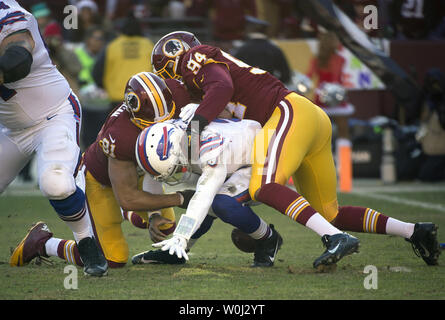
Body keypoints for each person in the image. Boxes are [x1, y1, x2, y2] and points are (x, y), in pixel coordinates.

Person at [150, 31, 441, 267]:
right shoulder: (204, 77)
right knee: (329, 214)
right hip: (307, 118)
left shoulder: (195, 60)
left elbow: (221, 88)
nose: (174, 81)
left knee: (263, 184)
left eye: (168, 73)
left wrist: (195, 127)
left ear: (177, 57)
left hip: (286, 112)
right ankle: (414, 231)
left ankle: (336, 238)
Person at [9, 72, 195, 269]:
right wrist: (180, 198)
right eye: (153, 125)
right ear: (135, 117)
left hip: (137, 174)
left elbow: (154, 170)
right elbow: (128, 197)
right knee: (111, 258)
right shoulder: (120, 135)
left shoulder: (177, 93)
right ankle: (43, 243)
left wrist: (155, 212)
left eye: (167, 120)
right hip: (100, 181)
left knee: (165, 224)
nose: (162, 128)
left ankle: (128, 214)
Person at [1, 0, 107, 276]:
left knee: (56, 183)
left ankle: (87, 243)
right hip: (11, 129)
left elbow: (17, 60)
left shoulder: (9, 15)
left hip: (54, 113)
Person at [134, 116, 283, 267]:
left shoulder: (209, 149)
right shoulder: (168, 135)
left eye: (176, 166)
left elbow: (203, 197)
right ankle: (177, 252)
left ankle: (268, 238)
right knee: (211, 200)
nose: (177, 171)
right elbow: (153, 175)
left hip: (262, 156)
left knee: (221, 203)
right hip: (235, 157)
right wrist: (154, 215)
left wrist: (181, 235)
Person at [306, 32, 354, 192]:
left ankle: (318, 177)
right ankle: (345, 178)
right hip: (334, 100)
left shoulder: (318, 59)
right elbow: (336, 79)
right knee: (342, 135)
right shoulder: (339, 59)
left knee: (318, 137)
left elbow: (308, 77)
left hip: (324, 100)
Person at [92, 13, 154, 112]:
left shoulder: (112, 46)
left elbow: (97, 72)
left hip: (117, 99)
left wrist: (105, 87)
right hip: (144, 97)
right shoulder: (149, 45)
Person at [232, 16, 291, 85]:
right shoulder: (274, 49)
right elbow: (286, 75)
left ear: (251, 29)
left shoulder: (241, 49)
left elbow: (232, 74)